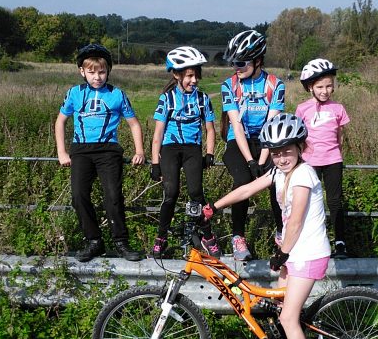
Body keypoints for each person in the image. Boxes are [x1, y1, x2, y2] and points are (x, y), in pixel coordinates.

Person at [202, 113, 329, 339]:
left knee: (287, 316)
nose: (281, 157)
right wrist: (213, 207)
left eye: (287, 150)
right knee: (282, 309)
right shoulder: (279, 173)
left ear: (300, 147)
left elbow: (297, 220)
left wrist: (282, 254)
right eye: (275, 152)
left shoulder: (304, 175)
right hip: (293, 251)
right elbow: (246, 190)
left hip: (307, 253)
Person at [54, 42, 145, 262]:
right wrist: (61, 152)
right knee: (78, 195)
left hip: (108, 150)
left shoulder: (117, 94)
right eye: (92, 72)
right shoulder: (74, 93)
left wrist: (139, 150)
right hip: (81, 150)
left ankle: (121, 242)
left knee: (113, 197)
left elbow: (133, 123)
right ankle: (94, 241)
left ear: (108, 72)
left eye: (102, 72)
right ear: (82, 72)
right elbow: (60, 122)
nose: (97, 77)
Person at [220, 28, 285, 261]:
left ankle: (281, 233)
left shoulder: (275, 84)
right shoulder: (229, 85)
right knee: (243, 180)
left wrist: (262, 159)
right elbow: (235, 124)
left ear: (258, 60)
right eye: (233, 63)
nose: (236, 68)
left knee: (278, 182)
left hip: (266, 140)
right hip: (238, 141)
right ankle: (237, 237)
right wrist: (250, 160)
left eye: (241, 62)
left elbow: (271, 122)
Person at [150, 46, 220, 258]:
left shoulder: (202, 99)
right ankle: (161, 238)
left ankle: (207, 235)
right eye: (189, 75)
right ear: (176, 75)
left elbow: (210, 128)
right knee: (171, 193)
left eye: (196, 75)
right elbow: (158, 133)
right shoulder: (167, 98)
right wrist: (155, 162)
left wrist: (209, 153)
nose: (194, 80)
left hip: (192, 148)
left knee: (196, 194)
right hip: (170, 148)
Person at [295, 58, 350, 258]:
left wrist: (337, 154)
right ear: (310, 87)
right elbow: (299, 137)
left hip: (333, 160)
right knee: (310, 201)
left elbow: (340, 136)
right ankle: (312, 241)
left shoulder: (338, 108)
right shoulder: (302, 109)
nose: (324, 91)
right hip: (310, 161)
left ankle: (341, 242)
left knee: (335, 201)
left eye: (328, 86)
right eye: (320, 87)